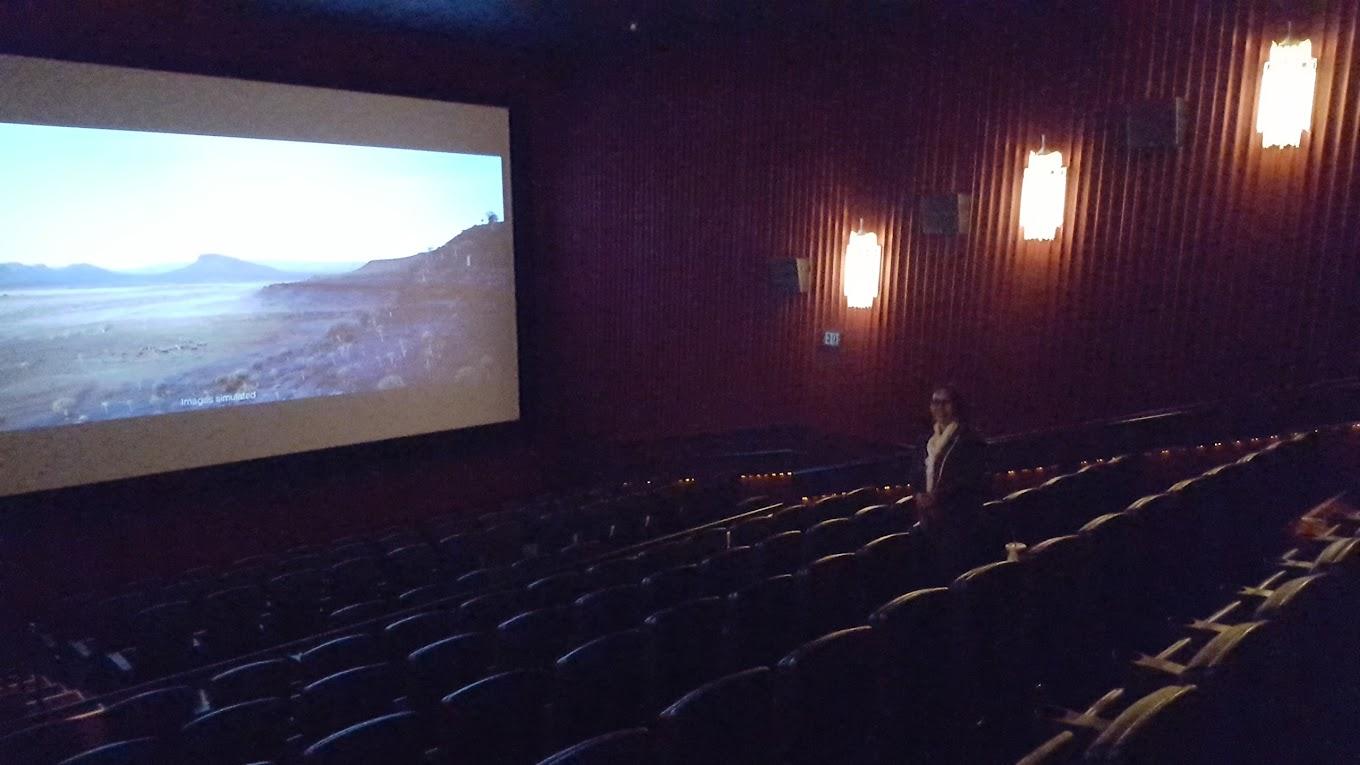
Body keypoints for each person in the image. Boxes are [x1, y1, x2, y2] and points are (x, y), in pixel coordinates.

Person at [914, 385, 987, 576]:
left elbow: (972, 478)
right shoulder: (925, 441)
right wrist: (920, 494)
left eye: (945, 402)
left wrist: (939, 496)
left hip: (959, 518)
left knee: (956, 570)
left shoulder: (970, 439)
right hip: (931, 519)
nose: (939, 407)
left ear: (956, 405)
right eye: (935, 402)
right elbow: (917, 473)